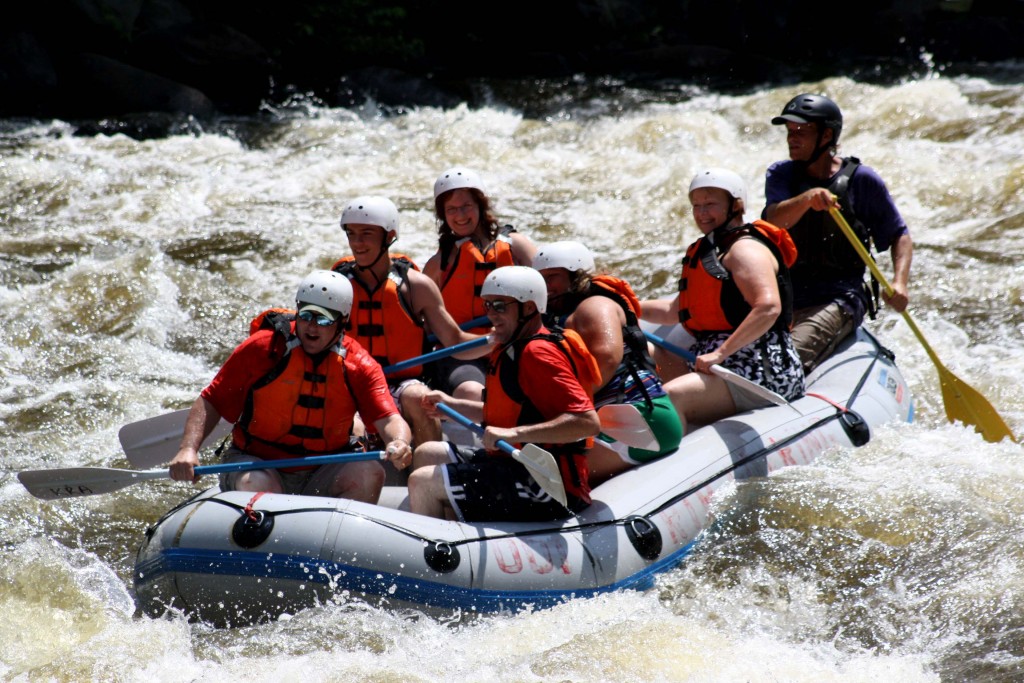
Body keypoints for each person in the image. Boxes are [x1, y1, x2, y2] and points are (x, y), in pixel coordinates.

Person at [168, 270, 414, 503]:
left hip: (323, 469)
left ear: (343, 321)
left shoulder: (358, 364)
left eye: (324, 319)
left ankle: (338, 541)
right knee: (258, 483)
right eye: (306, 315)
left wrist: (400, 442)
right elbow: (212, 399)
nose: (312, 326)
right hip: (259, 463)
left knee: (369, 472)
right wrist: (188, 449)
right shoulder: (263, 349)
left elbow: (390, 419)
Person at [407, 266, 601, 522]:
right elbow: (510, 414)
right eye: (487, 306)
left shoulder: (538, 354)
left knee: (422, 482)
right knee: (427, 452)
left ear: (529, 308)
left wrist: (515, 434)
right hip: (511, 463)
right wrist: (452, 405)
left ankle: (436, 555)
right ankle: (456, 535)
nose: (491, 315)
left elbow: (588, 422)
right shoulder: (512, 347)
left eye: (500, 306)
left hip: (548, 484)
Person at [640, 168, 805, 432]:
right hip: (714, 365)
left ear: (736, 205)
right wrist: (628, 306)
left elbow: (768, 307)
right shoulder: (712, 248)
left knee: (672, 395)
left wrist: (720, 353)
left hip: (758, 372)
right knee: (638, 349)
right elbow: (676, 311)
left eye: (710, 205)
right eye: (696, 206)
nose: (702, 213)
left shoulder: (745, 250)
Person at [763, 92, 913, 373]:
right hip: (785, 292)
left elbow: (898, 235)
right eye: (789, 131)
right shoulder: (781, 174)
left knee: (783, 363)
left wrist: (900, 283)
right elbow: (774, 220)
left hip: (839, 296)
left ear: (826, 136)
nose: (791, 138)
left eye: (801, 132)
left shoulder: (862, 180)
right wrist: (807, 199)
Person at [331, 195, 492, 449]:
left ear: (389, 236)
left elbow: (455, 341)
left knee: (420, 397)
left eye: (366, 234)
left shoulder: (416, 286)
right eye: (351, 234)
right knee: (352, 421)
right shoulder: (336, 285)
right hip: (353, 383)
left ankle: (426, 469)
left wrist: (500, 340)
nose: (357, 243)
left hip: (400, 383)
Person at [533, 240, 683, 484]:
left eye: (553, 277)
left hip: (642, 421)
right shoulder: (551, 318)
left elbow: (606, 360)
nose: (546, 286)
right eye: (541, 279)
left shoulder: (595, 306)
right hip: (614, 424)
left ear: (576, 275)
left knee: (543, 475)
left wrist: (557, 413)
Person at [422, 166, 537, 402]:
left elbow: (550, 292)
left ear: (480, 206)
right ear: (443, 215)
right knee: (471, 392)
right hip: (462, 354)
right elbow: (421, 321)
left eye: (466, 206)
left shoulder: (516, 246)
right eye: (452, 209)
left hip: (516, 345)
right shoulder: (438, 264)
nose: (460, 215)